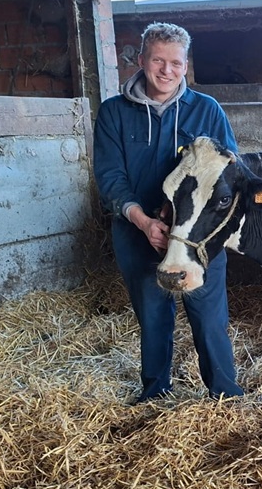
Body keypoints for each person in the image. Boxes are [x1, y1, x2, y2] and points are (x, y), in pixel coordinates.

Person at [93, 22, 244, 403]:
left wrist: (184, 221)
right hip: (138, 232)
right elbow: (110, 177)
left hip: (197, 238)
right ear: (141, 60)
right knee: (153, 316)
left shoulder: (206, 110)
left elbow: (227, 171)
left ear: (185, 65)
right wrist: (143, 221)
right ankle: (155, 394)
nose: (167, 71)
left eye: (176, 63)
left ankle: (225, 395)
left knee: (209, 317)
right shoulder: (113, 113)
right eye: (158, 60)